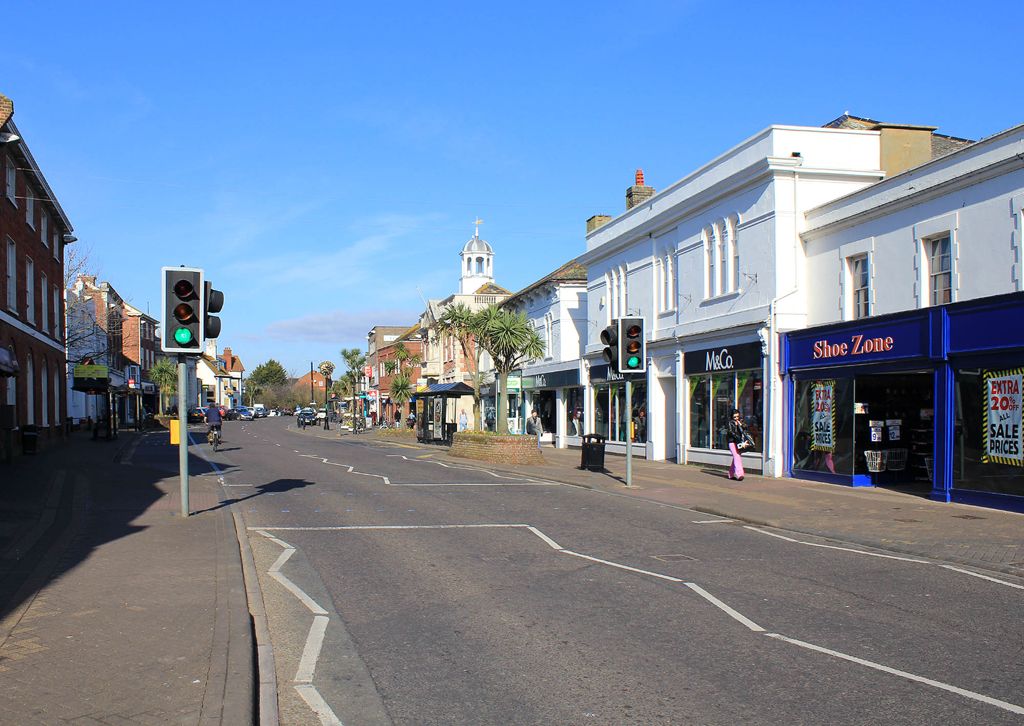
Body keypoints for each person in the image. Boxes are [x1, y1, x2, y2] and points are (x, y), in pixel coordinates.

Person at [726, 408, 748, 481]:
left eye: (737, 416)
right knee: (737, 456)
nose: (736, 418)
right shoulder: (730, 423)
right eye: (734, 417)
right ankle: (739, 474)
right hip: (732, 441)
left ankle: (731, 474)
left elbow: (745, 428)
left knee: (736, 457)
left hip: (738, 442)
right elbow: (730, 432)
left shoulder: (740, 421)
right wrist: (737, 437)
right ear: (732, 416)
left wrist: (741, 425)